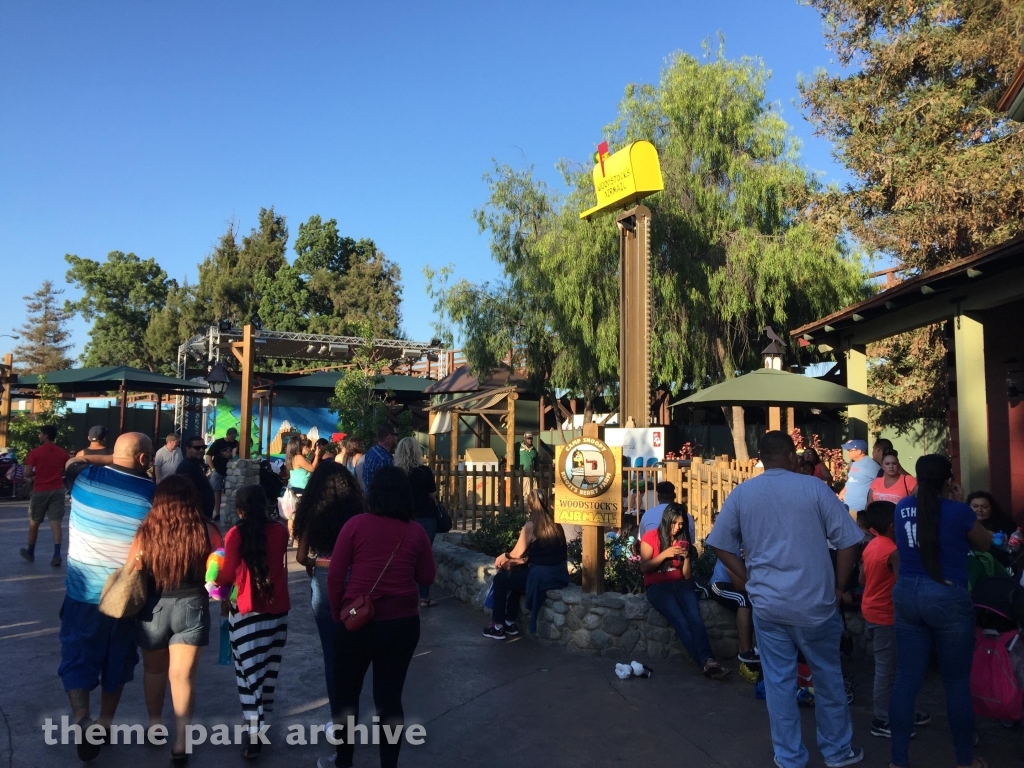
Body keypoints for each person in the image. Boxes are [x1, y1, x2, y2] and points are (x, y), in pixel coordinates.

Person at [708, 430, 866, 768]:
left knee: (778, 683)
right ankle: (837, 751)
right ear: (792, 456)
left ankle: (789, 756)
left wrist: (747, 577)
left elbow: (719, 542)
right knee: (827, 677)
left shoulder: (743, 493)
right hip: (816, 604)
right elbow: (849, 541)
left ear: (761, 458)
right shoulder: (814, 488)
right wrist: (839, 587)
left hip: (768, 606)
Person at [325, 465, 436, 768]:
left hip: (356, 621)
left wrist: (339, 615)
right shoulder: (415, 532)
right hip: (401, 624)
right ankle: (389, 764)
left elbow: (335, 577)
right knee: (389, 698)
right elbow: (427, 574)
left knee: (347, 695)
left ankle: (344, 760)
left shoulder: (356, 525)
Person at [889, 455, 992, 768]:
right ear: (948, 480)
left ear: (918, 478)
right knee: (956, 683)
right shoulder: (958, 511)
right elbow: (986, 544)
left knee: (906, 680)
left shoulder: (901, 508)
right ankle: (964, 760)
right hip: (947, 595)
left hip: (907, 592)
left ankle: (898, 762)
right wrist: (957, 502)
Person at [59, 433, 155, 763]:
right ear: (144, 459)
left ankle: (82, 718)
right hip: (123, 599)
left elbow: (73, 461)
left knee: (76, 656)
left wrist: (110, 458)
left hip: (80, 594)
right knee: (117, 661)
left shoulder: (83, 478)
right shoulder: (152, 496)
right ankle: (103, 724)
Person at [131, 475, 222, 765]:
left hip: (153, 608)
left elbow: (133, 568)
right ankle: (181, 742)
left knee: (155, 671)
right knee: (183, 677)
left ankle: (155, 725)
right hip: (193, 605)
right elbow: (220, 566)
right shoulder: (207, 530)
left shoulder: (146, 532)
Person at [215, 484, 290, 760]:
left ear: (240, 509)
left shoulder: (236, 534)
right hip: (277, 609)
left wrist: (213, 581)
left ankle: (253, 728)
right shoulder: (280, 531)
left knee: (247, 674)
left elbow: (225, 576)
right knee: (267, 670)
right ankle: (258, 720)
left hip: (246, 610)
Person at [293, 462, 365, 725]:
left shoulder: (313, 511)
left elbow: (301, 557)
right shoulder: (357, 512)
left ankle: (339, 720)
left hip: (324, 577)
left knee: (331, 655)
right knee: (355, 653)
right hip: (354, 578)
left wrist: (313, 565)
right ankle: (353, 712)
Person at [858, 501, 931, 740]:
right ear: (893, 525)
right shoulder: (892, 551)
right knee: (888, 669)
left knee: (893, 667)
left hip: (873, 610)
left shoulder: (872, 546)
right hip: (886, 615)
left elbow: (861, 579)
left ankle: (901, 710)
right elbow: (902, 586)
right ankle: (882, 719)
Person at [639, 503, 728, 679]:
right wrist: (665, 554)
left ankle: (708, 661)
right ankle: (706, 661)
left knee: (695, 620)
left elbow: (687, 576)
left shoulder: (682, 539)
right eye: (675, 523)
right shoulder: (651, 537)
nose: (678, 527)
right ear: (667, 520)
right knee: (681, 621)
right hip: (658, 586)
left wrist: (686, 558)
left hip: (681, 584)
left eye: (681, 524)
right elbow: (644, 567)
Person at [483, 489, 569, 639]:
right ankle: (510, 621)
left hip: (540, 576)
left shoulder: (532, 525)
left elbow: (516, 553)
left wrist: (504, 556)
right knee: (517, 580)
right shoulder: (556, 523)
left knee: (500, 580)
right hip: (558, 575)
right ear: (546, 504)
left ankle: (498, 625)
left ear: (529, 507)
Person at [394, 437, 439, 607]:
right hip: (426, 517)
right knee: (424, 556)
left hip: (404, 518)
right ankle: (424, 596)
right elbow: (432, 495)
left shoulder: (397, 473)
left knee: (403, 556)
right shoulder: (424, 471)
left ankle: (404, 592)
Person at [20, 424, 70, 566]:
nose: (39, 436)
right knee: (56, 522)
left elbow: (27, 472)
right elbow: (67, 468)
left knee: (34, 521)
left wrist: (38, 473)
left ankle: (30, 551)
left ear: (46, 436)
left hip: (40, 490)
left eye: (40, 434)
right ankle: (56, 554)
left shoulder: (35, 452)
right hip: (57, 489)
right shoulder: (61, 452)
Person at [709, 547, 758, 665]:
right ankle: (746, 655)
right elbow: (738, 585)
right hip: (719, 585)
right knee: (743, 600)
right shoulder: (734, 548)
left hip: (742, 586)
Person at [175, 435, 216, 519]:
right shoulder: (186, 467)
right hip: (195, 516)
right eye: (197, 448)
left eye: (203, 447)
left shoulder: (196, 464)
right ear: (187, 448)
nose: (201, 450)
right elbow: (184, 495)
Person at [206, 427, 238, 521]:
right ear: (227, 434)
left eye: (235, 436)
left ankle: (232, 513)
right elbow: (208, 455)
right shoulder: (218, 442)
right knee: (216, 491)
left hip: (230, 471)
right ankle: (217, 513)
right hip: (218, 470)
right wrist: (213, 469)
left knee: (231, 492)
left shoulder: (236, 443)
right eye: (232, 436)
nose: (233, 438)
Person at [840, 439, 880, 515]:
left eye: (849, 450)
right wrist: (843, 492)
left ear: (859, 451)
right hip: (846, 506)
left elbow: (880, 483)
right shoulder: (854, 463)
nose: (847, 452)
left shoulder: (871, 465)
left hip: (859, 509)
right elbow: (851, 480)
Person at [362, 423, 397, 491]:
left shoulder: (372, 450)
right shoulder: (385, 460)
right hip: (379, 500)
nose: (397, 438)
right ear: (388, 437)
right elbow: (387, 490)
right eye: (395, 435)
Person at [518, 431, 538, 495]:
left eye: (531, 438)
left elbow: (536, 461)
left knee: (533, 494)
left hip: (531, 474)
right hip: (521, 474)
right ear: (525, 438)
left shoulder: (534, 450)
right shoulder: (518, 447)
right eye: (528, 438)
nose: (530, 440)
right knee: (521, 494)